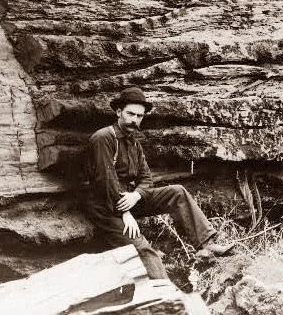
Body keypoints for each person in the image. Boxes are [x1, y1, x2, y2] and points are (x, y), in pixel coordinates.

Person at [84, 87, 233, 279]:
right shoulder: (104, 138)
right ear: (118, 112)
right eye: (130, 113)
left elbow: (146, 179)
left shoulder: (134, 143)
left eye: (139, 116)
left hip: (127, 199)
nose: (134, 120)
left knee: (177, 192)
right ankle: (164, 294)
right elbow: (106, 181)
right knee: (142, 248)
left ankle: (207, 246)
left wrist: (136, 195)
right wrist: (125, 213)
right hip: (103, 206)